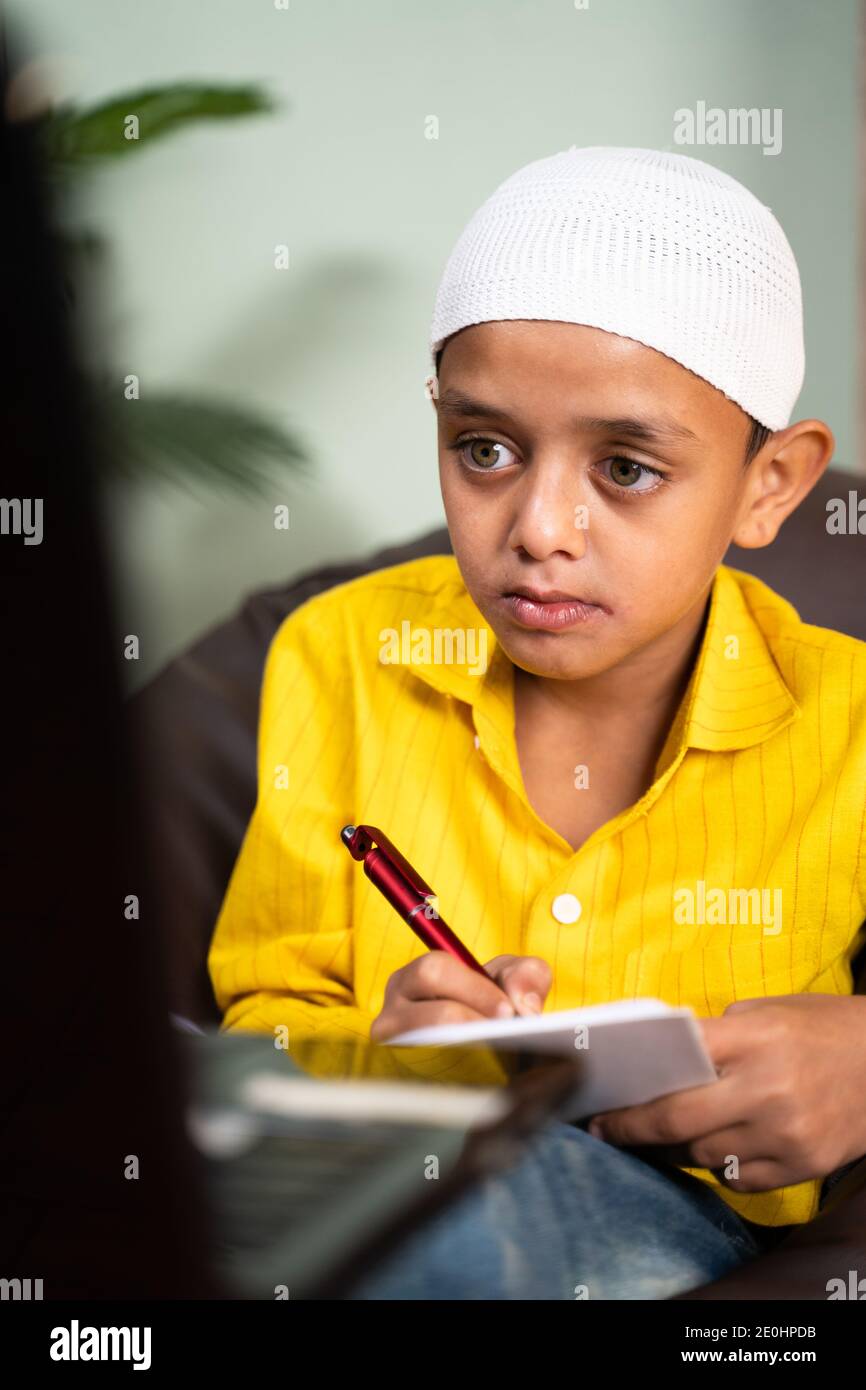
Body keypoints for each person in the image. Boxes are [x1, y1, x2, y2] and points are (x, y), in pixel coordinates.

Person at [207, 146, 866, 1298]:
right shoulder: (334, 653)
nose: (539, 527)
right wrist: (383, 1044)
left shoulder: (849, 718)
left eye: (623, 467)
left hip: (663, 1225)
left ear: (767, 485)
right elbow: (260, 1022)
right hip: (388, 1171)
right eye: (485, 450)